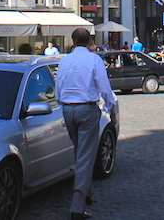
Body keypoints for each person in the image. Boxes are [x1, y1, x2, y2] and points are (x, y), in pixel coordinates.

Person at [56, 27, 116, 220]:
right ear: (89, 40)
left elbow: (58, 85)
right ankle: (77, 205)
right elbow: (104, 87)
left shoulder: (65, 61)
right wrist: (109, 106)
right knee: (85, 156)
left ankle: (87, 193)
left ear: (73, 41)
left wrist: (62, 103)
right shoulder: (93, 60)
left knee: (80, 152)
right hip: (87, 109)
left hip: (68, 109)